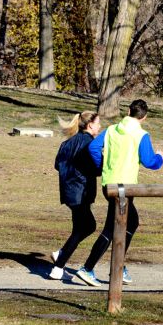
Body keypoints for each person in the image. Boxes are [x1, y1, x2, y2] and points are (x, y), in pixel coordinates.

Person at [75, 99, 163, 286]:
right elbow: (149, 162)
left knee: (131, 222)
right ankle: (88, 268)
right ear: (144, 117)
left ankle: (119, 266)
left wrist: (103, 165)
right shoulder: (141, 134)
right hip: (125, 188)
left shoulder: (111, 129)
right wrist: (160, 158)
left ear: (129, 111)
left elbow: (92, 147)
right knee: (112, 228)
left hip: (109, 184)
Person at [49, 111, 101, 280]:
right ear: (90, 125)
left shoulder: (68, 143)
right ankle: (58, 266)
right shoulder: (89, 143)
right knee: (88, 226)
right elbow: (95, 169)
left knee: (80, 228)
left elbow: (58, 164)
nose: (100, 126)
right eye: (98, 123)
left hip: (69, 191)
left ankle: (61, 255)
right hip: (81, 192)